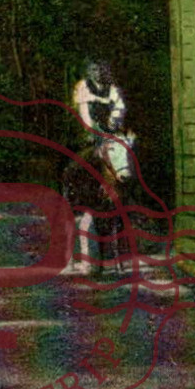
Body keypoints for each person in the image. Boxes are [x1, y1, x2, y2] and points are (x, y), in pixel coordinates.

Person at [62, 60, 135, 276]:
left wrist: (113, 124)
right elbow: (85, 114)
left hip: (110, 132)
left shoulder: (112, 90)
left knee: (125, 154)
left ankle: (126, 196)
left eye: (103, 70)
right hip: (90, 135)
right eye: (95, 70)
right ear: (89, 73)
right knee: (83, 163)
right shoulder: (83, 87)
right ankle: (81, 195)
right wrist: (96, 130)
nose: (100, 74)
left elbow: (119, 107)